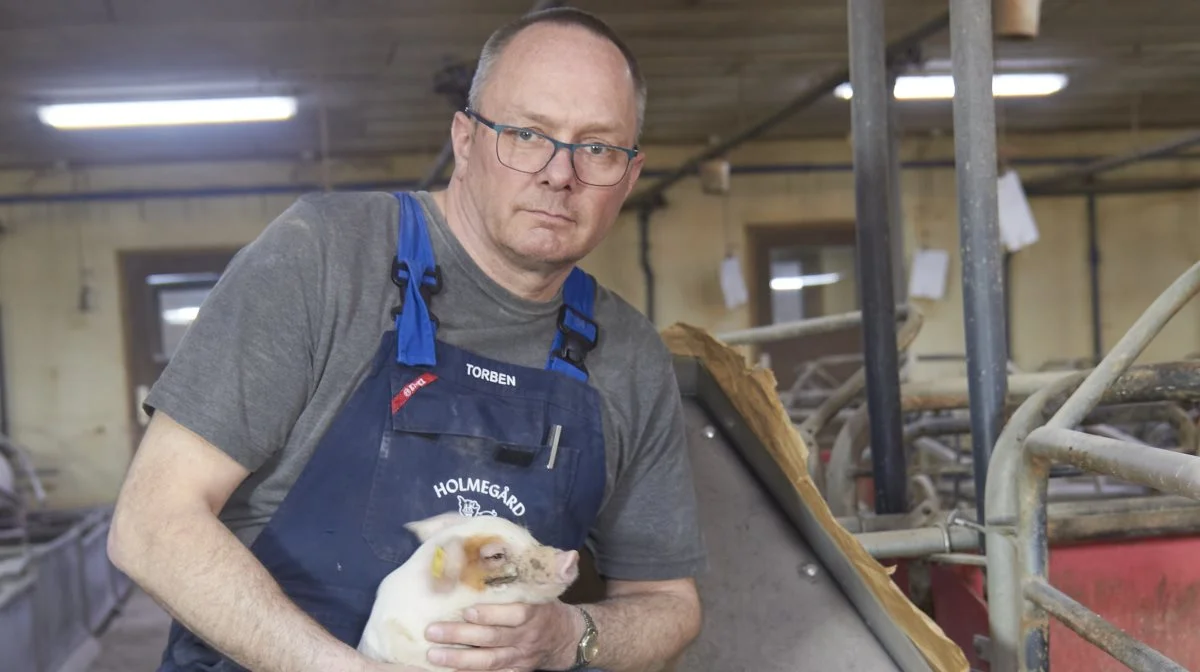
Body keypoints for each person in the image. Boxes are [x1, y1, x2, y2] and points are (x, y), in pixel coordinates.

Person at [108, 7, 707, 672]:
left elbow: (668, 603)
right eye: (527, 134)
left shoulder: (628, 357)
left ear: (628, 174)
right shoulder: (327, 258)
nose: (560, 174)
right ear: (467, 139)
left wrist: (574, 635)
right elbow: (152, 524)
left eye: (596, 148)